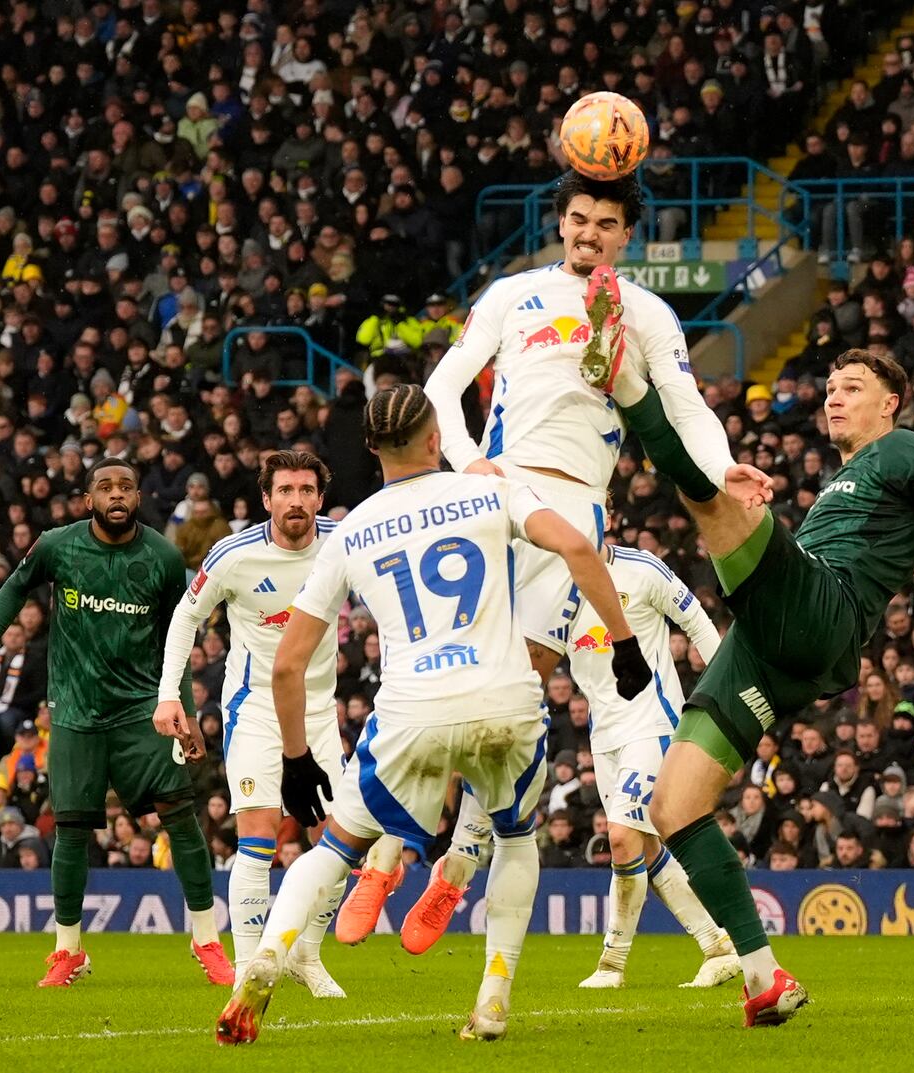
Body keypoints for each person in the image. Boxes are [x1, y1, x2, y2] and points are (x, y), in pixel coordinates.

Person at [342, 170, 761, 932]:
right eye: (576, 219)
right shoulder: (512, 294)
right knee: (452, 675)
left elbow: (687, 404)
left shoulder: (646, 313)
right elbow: (443, 384)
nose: (587, 233)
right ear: (560, 222)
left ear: (626, 236)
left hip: (574, 510)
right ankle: (386, 855)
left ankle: (456, 863)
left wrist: (722, 463)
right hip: (499, 495)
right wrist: (467, 461)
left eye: (604, 223)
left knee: (516, 689)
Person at [600, 347, 914, 1025]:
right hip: (768, 643)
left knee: (702, 491)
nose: (834, 397)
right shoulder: (841, 483)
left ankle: (626, 381)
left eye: (853, 387)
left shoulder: (902, 448)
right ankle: (764, 978)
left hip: (824, 608)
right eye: (829, 387)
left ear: (890, 404)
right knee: (672, 807)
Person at [214, 385, 652, 1044]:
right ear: (435, 438)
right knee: (513, 839)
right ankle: (494, 995)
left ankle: (265, 961)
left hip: (410, 712)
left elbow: (286, 663)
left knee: (334, 846)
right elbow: (580, 549)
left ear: (370, 449)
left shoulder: (352, 528)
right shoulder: (491, 490)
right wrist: (624, 642)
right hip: (505, 701)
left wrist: (299, 757)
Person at [0, 458, 233, 989]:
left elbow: (181, 638)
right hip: (76, 712)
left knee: (180, 815)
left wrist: (187, 713)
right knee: (72, 830)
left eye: (126, 485)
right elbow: (15, 587)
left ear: (138, 496)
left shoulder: (162, 556)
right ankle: (68, 951)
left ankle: (206, 940)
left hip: (142, 712)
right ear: (89, 501)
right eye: (105, 486)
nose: (116, 493)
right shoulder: (58, 545)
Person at [451, 541, 739, 990]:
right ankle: (716, 946)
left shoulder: (642, 569)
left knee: (621, 838)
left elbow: (697, 621)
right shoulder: (551, 588)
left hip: (654, 722)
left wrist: (719, 694)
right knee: (643, 849)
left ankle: (612, 964)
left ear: (604, 512)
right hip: (604, 737)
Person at [154, 450, 346, 996]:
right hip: (256, 709)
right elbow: (187, 616)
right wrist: (171, 695)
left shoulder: (345, 540)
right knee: (258, 838)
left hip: (318, 712)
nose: (297, 501)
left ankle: (307, 954)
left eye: (307, 490)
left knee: (336, 842)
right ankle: (247, 969)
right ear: (266, 500)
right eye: (285, 491)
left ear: (319, 498)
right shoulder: (234, 554)